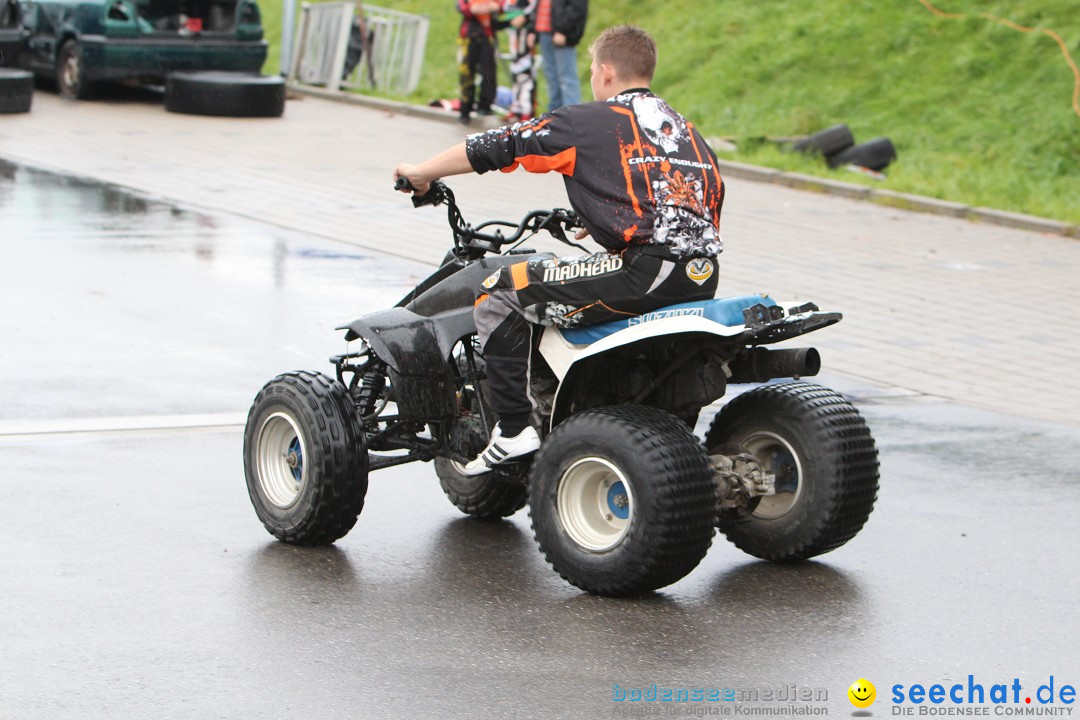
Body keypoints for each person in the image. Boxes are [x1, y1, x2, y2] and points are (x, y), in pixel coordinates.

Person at [394, 25, 725, 475]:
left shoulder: (587, 121)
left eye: (592, 71)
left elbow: (497, 146)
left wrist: (421, 171)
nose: (591, 79)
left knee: (499, 293)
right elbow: (695, 198)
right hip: (701, 272)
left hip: (647, 270)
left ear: (605, 72)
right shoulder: (683, 129)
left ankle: (512, 430)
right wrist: (610, 223)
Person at [533, 0, 587, 110]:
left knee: (567, 78)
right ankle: (555, 114)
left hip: (561, 34)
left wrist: (563, 30)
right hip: (544, 32)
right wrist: (532, 30)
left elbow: (577, 8)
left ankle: (572, 114)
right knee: (551, 76)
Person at [457, 0, 503, 124]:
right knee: (467, 74)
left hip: (488, 36)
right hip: (469, 37)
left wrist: (494, 7)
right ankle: (465, 109)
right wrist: (477, 8)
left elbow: (502, 6)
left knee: (489, 73)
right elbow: (463, 8)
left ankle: (485, 106)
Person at [500, 0, 538, 121]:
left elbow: (534, 6)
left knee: (526, 76)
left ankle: (527, 110)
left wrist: (526, 17)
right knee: (515, 75)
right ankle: (516, 108)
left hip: (526, 32)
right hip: (513, 29)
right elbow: (505, 5)